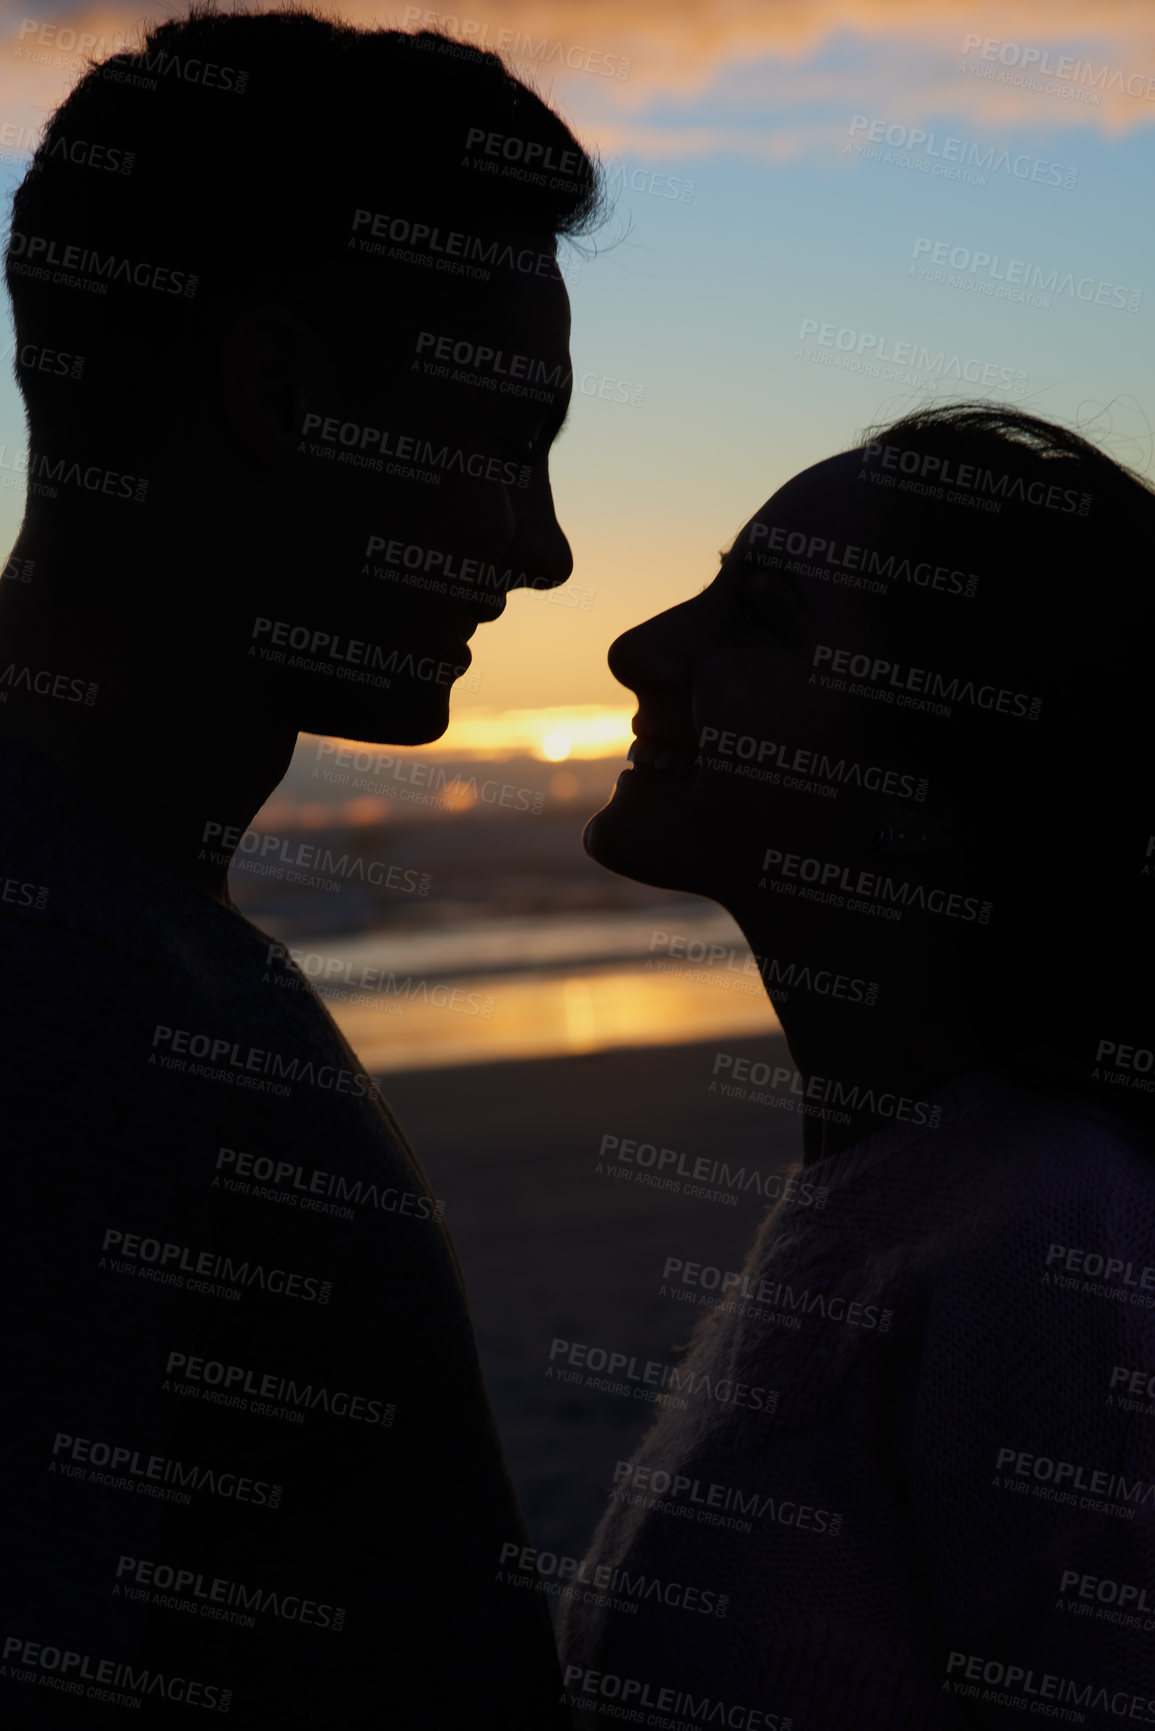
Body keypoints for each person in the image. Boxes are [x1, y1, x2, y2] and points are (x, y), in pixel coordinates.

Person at [0, 8, 598, 1726]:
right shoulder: (64, 1004)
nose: (545, 548)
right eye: (506, 440)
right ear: (280, 395)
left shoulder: (132, 939)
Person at [559, 404, 1155, 1728]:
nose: (638, 646)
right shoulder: (909, 1185)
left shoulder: (1054, 1240)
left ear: (933, 785)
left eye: (759, 619)